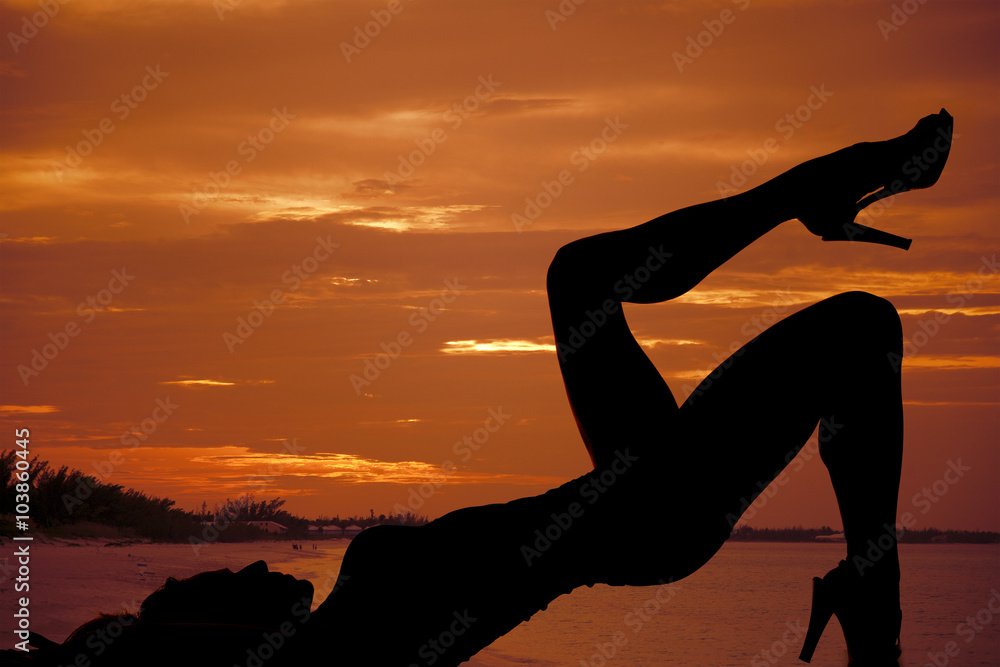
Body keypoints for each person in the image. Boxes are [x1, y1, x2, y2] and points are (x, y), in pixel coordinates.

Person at [7, 109, 952, 667]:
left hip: (634, 490)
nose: (252, 562)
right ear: (204, 643)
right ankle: (819, 191)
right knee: (607, 282)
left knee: (836, 324)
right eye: (222, 578)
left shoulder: (340, 619)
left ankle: (870, 595)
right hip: (644, 513)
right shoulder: (334, 661)